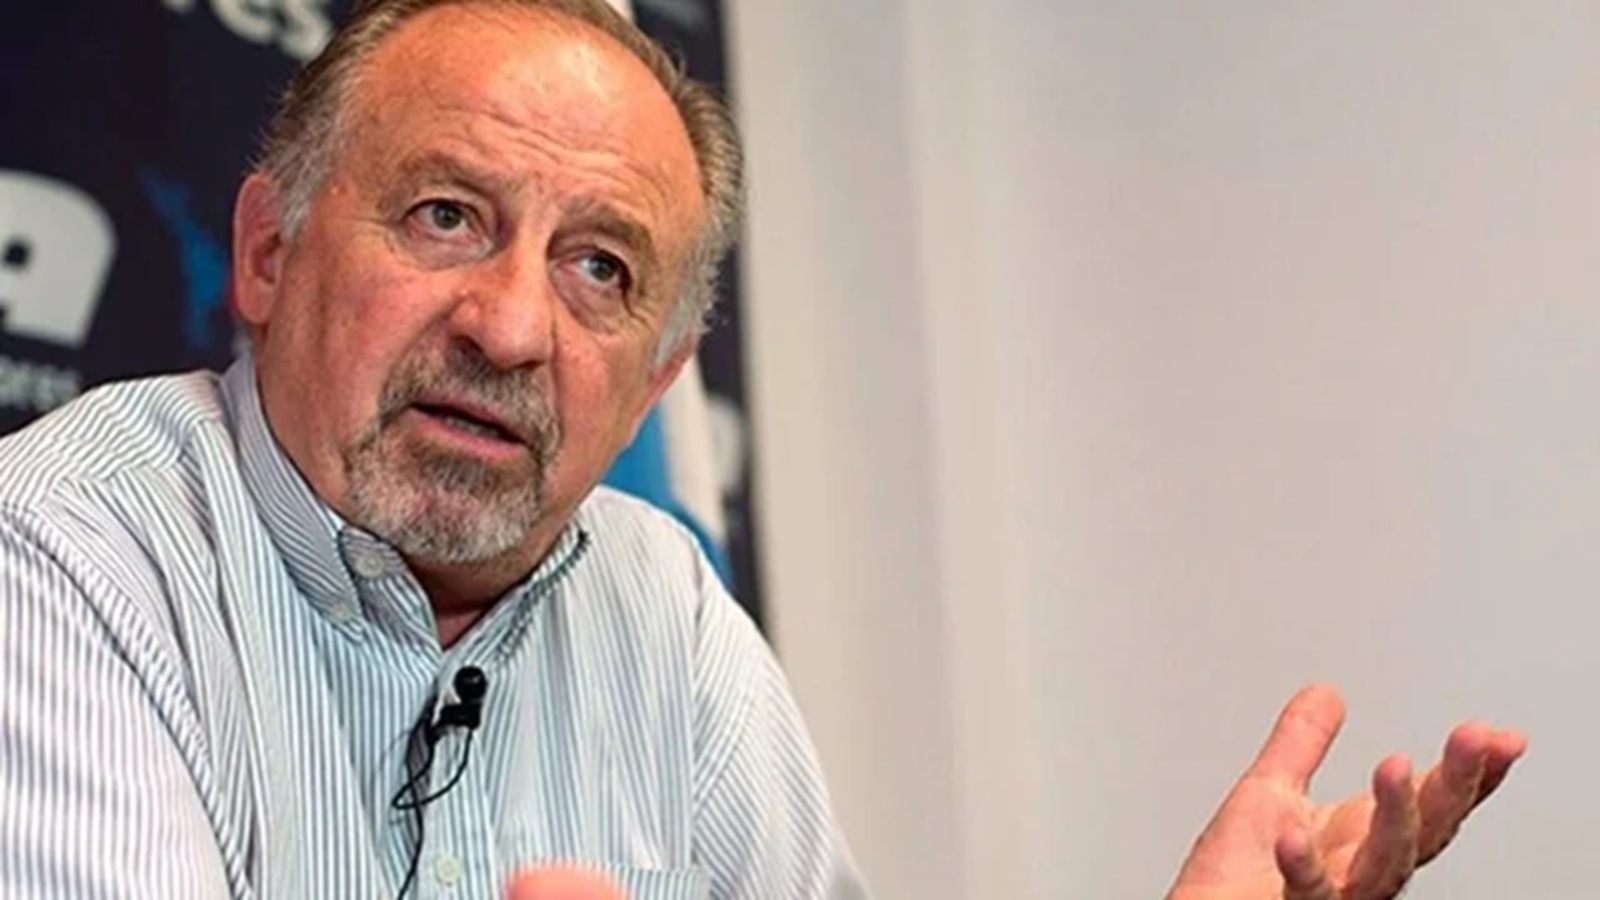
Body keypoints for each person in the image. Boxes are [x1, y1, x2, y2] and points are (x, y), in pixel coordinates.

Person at [0, 0, 1525, 898]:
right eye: (446, 215)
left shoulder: (662, 605)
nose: (512, 327)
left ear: (660, 380)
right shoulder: (62, 552)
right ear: (268, 251)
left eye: (601, 268)